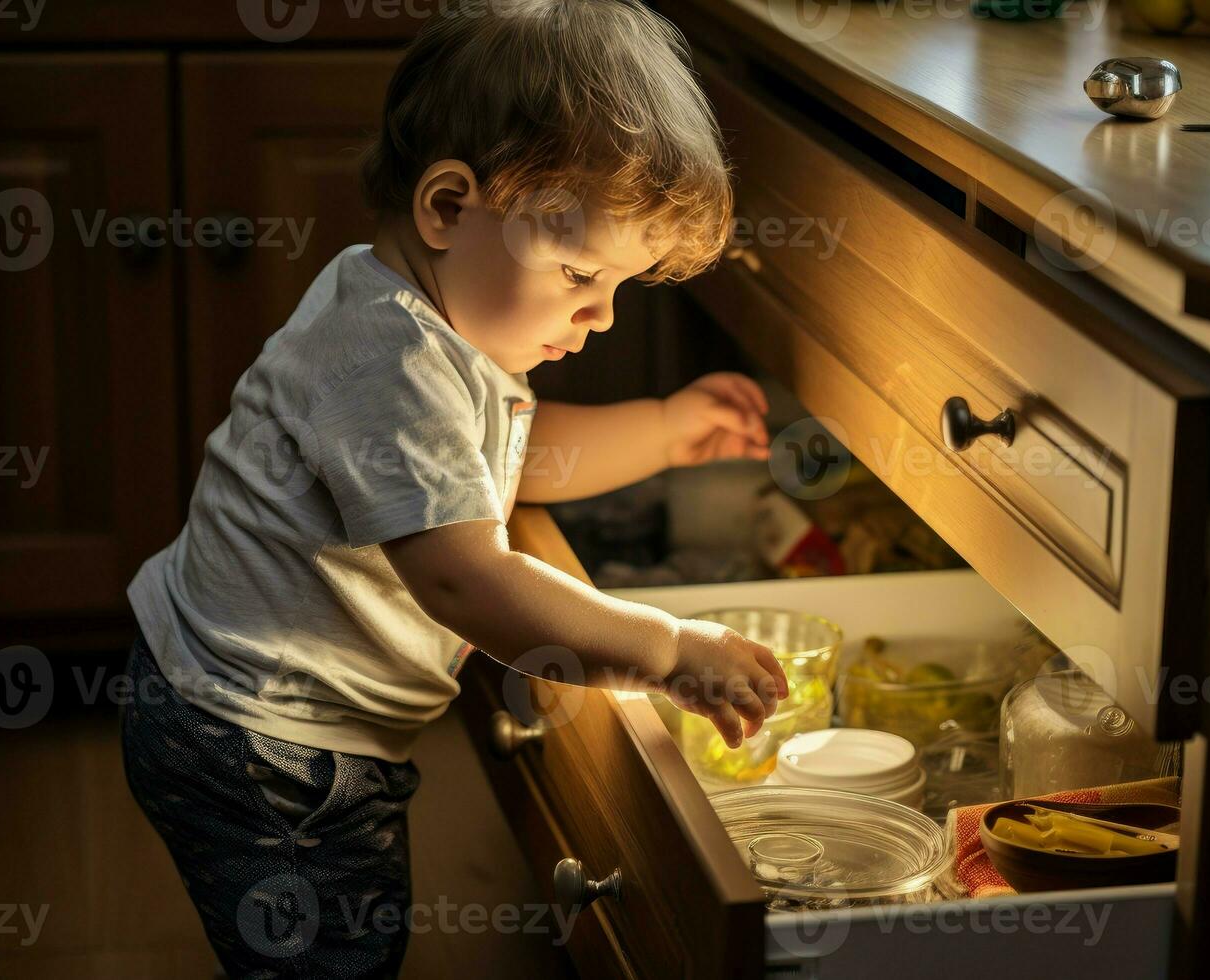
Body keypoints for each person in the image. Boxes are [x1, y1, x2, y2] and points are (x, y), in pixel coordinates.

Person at [120, 2, 788, 975]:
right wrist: (665, 648)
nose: (597, 315)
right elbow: (464, 580)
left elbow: (504, 455)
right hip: (262, 738)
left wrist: (660, 429)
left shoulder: (419, 316)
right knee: (336, 951)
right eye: (577, 272)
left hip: (238, 703)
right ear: (446, 207)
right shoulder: (391, 360)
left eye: (620, 288)